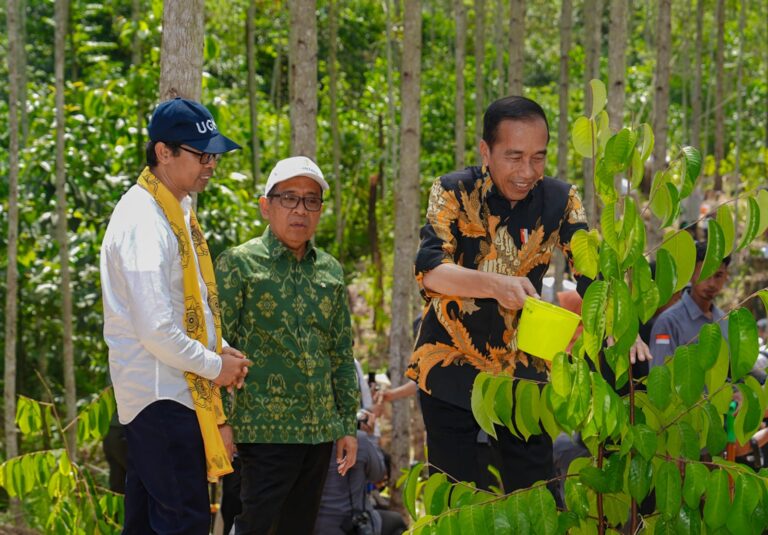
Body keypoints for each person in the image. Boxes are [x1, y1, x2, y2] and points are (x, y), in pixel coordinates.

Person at [406, 95, 650, 492]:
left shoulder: (560, 198)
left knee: (536, 494)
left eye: (538, 157)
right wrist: (495, 284)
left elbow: (590, 271)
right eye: (514, 157)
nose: (527, 171)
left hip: (525, 374)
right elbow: (431, 270)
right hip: (449, 368)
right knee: (456, 500)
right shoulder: (452, 190)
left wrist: (619, 324)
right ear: (486, 151)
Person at [101, 97, 251, 534]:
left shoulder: (175, 209)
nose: (211, 164)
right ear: (163, 152)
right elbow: (156, 329)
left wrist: (219, 347)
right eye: (200, 154)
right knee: (183, 522)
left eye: (214, 154)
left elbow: (185, 305)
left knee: (150, 525)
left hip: (175, 389)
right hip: (160, 396)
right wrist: (214, 366)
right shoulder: (143, 220)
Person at [215, 156, 360, 535]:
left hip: (318, 433)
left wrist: (347, 425)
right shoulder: (238, 265)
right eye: (289, 198)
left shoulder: (329, 269)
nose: (301, 210)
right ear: (266, 206)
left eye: (311, 200)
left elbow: (341, 354)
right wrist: (220, 421)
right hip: (259, 433)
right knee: (251, 527)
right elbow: (216, 349)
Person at [650, 242, 730, 367]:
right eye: (705, 274)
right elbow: (660, 372)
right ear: (691, 273)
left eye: (718, 275)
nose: (712, 284)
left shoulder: (724, 321)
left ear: (726, 276)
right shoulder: (668, 322)